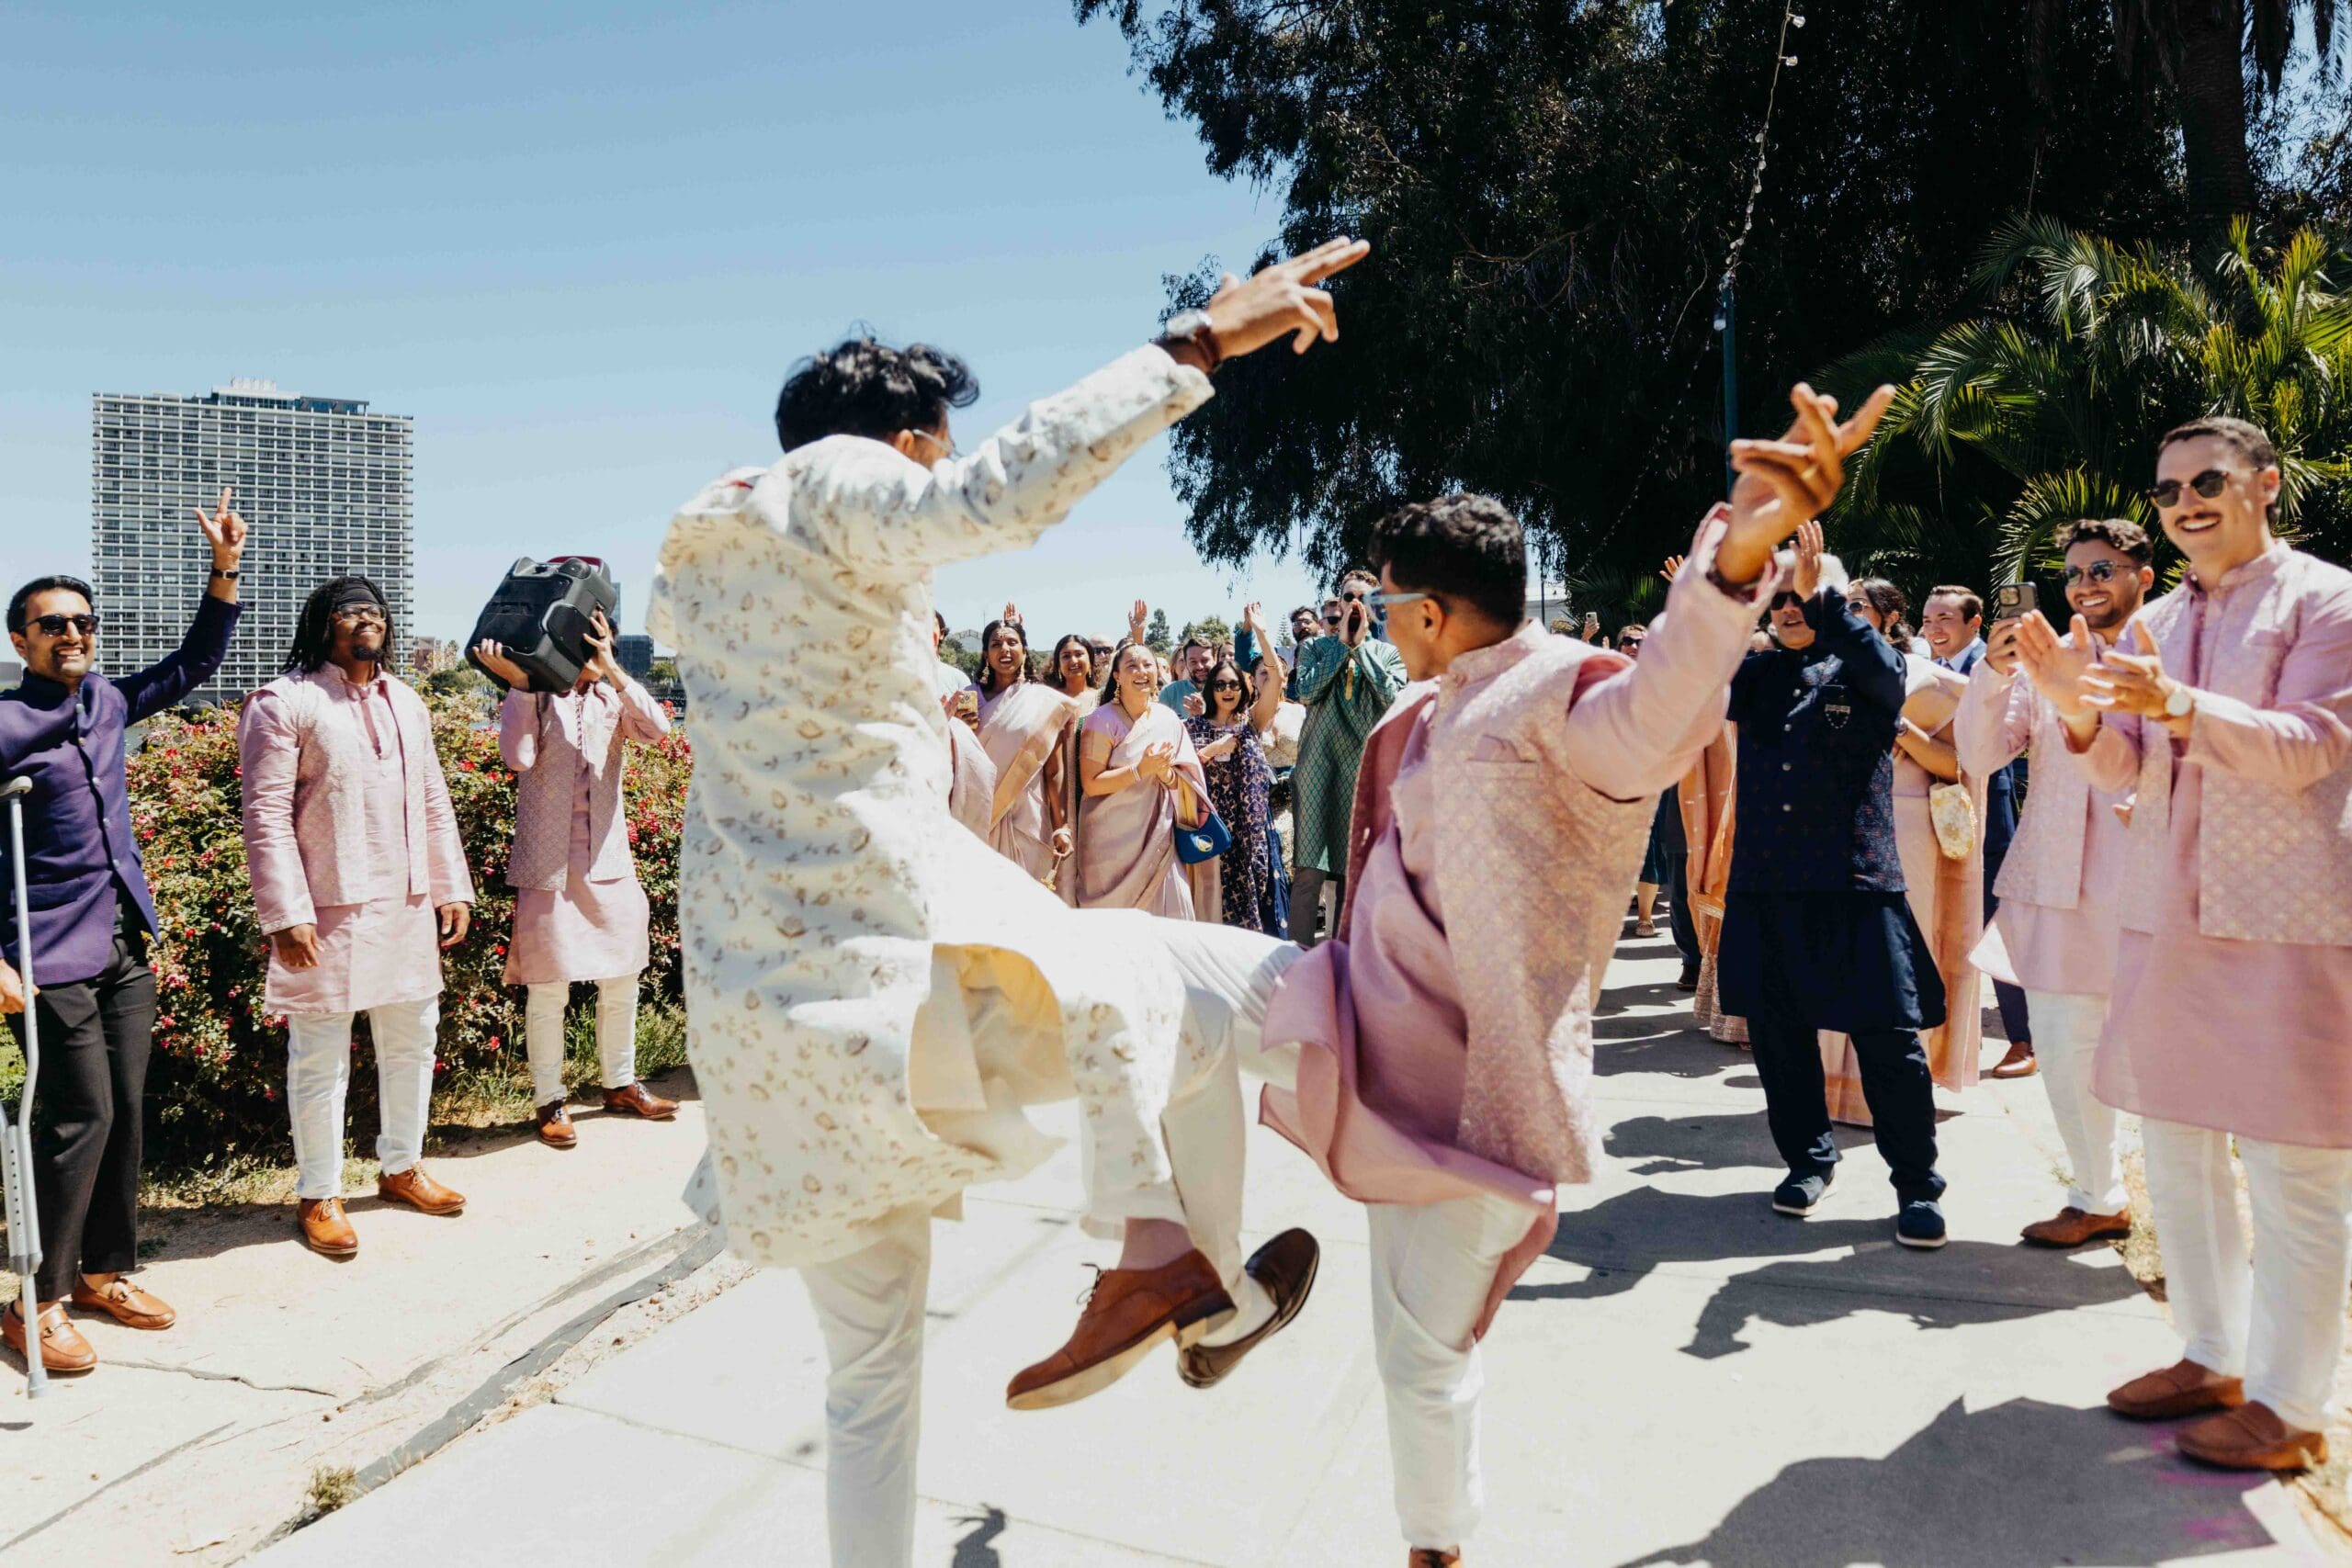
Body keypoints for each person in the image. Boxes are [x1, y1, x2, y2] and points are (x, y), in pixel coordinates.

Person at [648, 236, 1367, 1568]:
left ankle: (1187, 1277)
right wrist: (1194, 343)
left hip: (773, 1034)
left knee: (868, 1385)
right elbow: (994, 496)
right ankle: (1180, 1259)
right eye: (932, 446)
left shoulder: (704, 545)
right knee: (1195, 985)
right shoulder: (843, 477)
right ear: (903, 440)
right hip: (898, 978)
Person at [1259, 379, 1890, 1567]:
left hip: (1473, 1098)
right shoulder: (1427, 701)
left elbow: (1660, 715)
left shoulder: (1560, 690)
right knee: (1163, 996)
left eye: (1386, 601)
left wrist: (1741, 551)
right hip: (1367, 1034)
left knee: (1421, 1355)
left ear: (1436, 610)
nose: (1378, 618)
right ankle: (1176, 1275)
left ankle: (1435, 1549)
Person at [2015, 415, 2352, 1472]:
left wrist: (2173, 702)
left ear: (2265, 483)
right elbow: (2125, 770)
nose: (2185, 502)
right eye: (2166, 492)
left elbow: (2312, 748)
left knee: (2295, 1169)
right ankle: (2211, 1357)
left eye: (2206, 480)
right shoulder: (2151, 617)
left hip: (2289, 917)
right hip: (2163, 913)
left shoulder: (2326, 600)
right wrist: (2077, 716)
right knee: (2173, 1142)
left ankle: (2293, 1409)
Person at [0, 491, 246, 1374]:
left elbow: (191, 664)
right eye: (52, 624)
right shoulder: (3, 723)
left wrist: (222, 570)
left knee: (127, 1111)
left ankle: (105, 1269)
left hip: (121, 945)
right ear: (19, 639)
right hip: (43, 952)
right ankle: (35, 1298)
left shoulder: (105, 702)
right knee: (77, 1114)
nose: (72, 634)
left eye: (83, 623)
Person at [1720, 525, 1951, 1248]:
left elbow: (1887, 668)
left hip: (1855, 885)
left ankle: (1917, 1186)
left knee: (1889, 1044)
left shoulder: (1866, 670)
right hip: (1766, 887)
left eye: (1804, 595)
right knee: (1780, 1041)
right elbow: (1684, 681)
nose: (1790, 609)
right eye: (1779, 598)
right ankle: (1808, 1162)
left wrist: (1827, 597)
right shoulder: (1752, 675)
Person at [239, 575, 475, 1258]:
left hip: (403, 903)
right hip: (326, 908)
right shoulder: (285, 702)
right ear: (321, 624)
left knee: (413, 1040)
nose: (366, 618)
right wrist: (285, 910)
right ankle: (320, 1192)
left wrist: (449, 885)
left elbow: (432, 797)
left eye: (375, 609)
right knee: (319, 1055)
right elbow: (265, 816)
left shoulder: (407, 700)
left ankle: (401, 1165)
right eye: (349, 610)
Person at [1956, 518, 2153, 1247]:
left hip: (2151, 886)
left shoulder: (2171, 651)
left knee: (2160, 1054)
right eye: (2073, 573)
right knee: (2066, 1050)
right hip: (2053, 884)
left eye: (2103, 570)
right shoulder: (2042, 660)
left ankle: (2177, 1201)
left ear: (2144, 577)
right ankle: (2095, 1192)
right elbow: (1978, 753)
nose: (2085, 585)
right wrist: (1996, 671)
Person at [474, 610, 679, 1152]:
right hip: (549, 865)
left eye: (600, 634)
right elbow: (516, 758)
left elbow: (659, 731)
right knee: (548, 988)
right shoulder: (541, 696)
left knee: (622, 979)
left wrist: (613, 668)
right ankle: (550, 1099)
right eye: (583, 638)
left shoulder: (614, 698)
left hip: (609, 861)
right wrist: (520, 688)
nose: (590, 645)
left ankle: (620, 1083)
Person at [1814, 577, 1981, 1129]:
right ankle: (1831, 1091)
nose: (1849, 612)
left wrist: (1900, 729)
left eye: (1859, 605)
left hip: (1908, 826)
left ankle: (1898, 1090)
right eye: (1843, 604)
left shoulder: (1933, 680)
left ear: (1888, 616)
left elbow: (1955, 767)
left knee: (1902, 953)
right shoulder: (1818, 675)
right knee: (1837, 953)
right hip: (1837, 828)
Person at [1926, 583, 2034, 1077]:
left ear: (1976, 623)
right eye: (1928, 620)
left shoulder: (2004, 665)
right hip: (1931, 808)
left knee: (1997, 916)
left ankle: (2024, 1038)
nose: (1935, 629)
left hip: (1987, 806)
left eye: (1945, 618)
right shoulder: (1922, 668)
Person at [1290, 570, 1408, 944]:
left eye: (1363, 597)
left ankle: (1344, 958)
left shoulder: (1389, 653)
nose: (1355, 603)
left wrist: (1360, 649)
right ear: (1338, 604)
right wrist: (1342, 646)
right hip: (1316, 767)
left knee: (1348, 870)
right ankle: (1294, 960)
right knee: (1309, 869)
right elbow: (1306, 692)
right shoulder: (1314, 648)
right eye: (1348, 596)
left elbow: (1394, 700)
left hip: (1362, 767)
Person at [1076, 641, 1213, 917]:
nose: (1141, 671)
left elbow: (1185, 783)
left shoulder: (1168, 719)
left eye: (1147, 664)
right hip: (1110, 844)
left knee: (1174, 918)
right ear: (1117, 676)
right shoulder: (1100, 720)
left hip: (1160, 841)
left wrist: (1164, 773)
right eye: (1131, 666)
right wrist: (1141, 769)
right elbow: (1091, 783)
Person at [1182, 609, 1288, 934]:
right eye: (1220, 684)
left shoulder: (1251, 723)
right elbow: (1179, 773)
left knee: (1258, 903)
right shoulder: (1191, 727)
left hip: (1251, 831)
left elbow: (1275, 676)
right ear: (1209, 689)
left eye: (1234, 685)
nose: (1228, 690)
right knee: (1213, 910)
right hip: (1211, 830)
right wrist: (1212, 750)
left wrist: (1260, 633)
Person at [966, 617, 1080, 882]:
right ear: (985, 654)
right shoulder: (968, 698)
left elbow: (1055, 771)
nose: (1004, 649)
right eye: (996, 644)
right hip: (977, 810)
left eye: (1012, 642)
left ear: (1025, 650)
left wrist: (1061, 825)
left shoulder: (1046, 701)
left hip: (1028, 812)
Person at [1159, 636, 1216, 714]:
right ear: (1186, 663)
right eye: (1193, 662)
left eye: (1204, 660)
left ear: (1214, 660)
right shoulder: (1169, 692)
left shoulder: (1224, 691)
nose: (1200, 667)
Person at [1046, 632, 1099, 705]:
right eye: (1066, 656)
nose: (1073, 661)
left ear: (1090, 660)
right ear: (1058, 665)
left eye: (1079, 654)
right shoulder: (1049, 699)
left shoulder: (1102, 698)